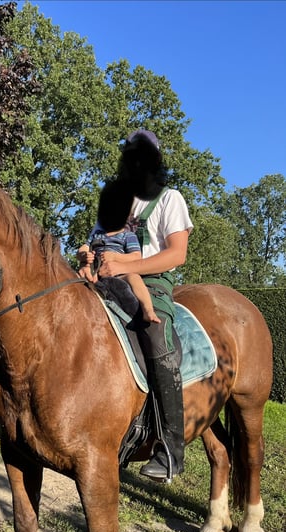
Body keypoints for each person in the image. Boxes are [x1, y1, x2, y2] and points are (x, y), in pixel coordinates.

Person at [78, 129, 193, 482]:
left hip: (152, 284)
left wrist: (126, 267)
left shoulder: (170, 199)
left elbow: (177, 254)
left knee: (155, 335)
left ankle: (170, 449)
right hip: (104, 280)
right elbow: (93, 244)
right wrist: (85, 261)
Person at [78, 179, 160, 323]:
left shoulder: (127, 236)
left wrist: (115, 257)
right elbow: (83, 248)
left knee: (134, 277)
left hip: (119, 275)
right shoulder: (97, 235)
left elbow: (136, 257)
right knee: (73, 276)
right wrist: (85, 255)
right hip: (94, 273)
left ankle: (148, 310)